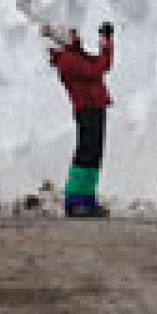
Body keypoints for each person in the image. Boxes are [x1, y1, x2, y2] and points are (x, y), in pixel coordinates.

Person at [44, 22, 115, 217]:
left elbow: (104, 64)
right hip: (86, 109)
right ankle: (74, 201)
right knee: (86, 153)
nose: (76, 35)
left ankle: (87, 201)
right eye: (70, 33)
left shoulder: (76, 54)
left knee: (93, 154)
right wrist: (102, 49)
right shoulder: (67, 59)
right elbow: (96, 69)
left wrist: (106, 42)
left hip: (95, 107)